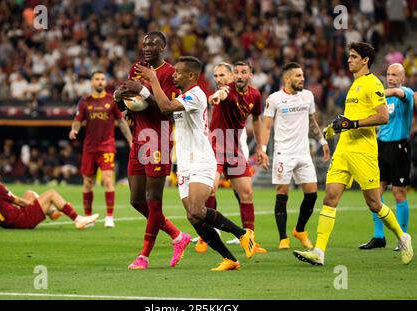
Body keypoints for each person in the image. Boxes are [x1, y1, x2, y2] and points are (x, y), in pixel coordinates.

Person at [293, 42, 413, 266]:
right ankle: (319, 252)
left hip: (363, 152)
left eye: (353, 57)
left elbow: (382, 117)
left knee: (374, 203)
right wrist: (335, 127)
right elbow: (349, 120)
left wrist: (354, 123)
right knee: (330, 197)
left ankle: (403, 236)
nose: (349, 60)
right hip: (344, 150)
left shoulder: (373, 84)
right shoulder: (354, 85)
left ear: (365, 60)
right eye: (349, 56)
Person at [136, 56, 256, 271]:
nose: (174, 74)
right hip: (184, 163)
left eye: (178, 72)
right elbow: (163, 108)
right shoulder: (183, 96)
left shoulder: (196, 95)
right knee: (192, 217)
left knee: (197, 210)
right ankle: (230, 259)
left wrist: (152, 80)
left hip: (201, 160)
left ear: (191, 75)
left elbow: (164, 107)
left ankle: (242, 234)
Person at [113, 31, 190, 270]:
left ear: (163, 47)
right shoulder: (137, 67)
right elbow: (127, 103)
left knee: (153, 199)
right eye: (145, 44)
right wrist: (118, 98)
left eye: (153, 44)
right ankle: (178, 236)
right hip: (139, 139)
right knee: (136, 200)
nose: (147, 47)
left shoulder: (170, 73)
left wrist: (143, 91)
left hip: (158, 139)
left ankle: (144, 256)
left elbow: (168, 110)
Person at [195, 61, 268, 253]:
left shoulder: (255, 95)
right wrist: (216, 96)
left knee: (247, 193)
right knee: (210, 190)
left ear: (250, 74)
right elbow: (222, 93)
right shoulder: (227, 90)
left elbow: (257, 119)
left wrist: (260, 148)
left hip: (234, 149)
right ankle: (208, 236)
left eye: (243, 72)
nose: (219, 80)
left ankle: (249, 239)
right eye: (236, 72)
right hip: (216, 145)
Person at [263, 62, 330, 250]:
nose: (302, 79)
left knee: (312, 194)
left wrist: (323, 142)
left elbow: (312, 121)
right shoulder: (274, 99)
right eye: (298, 76)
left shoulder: (308, 96)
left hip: (303, 153)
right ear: (287, 79)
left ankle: (300, 230)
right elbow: (266, 125)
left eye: (302, 75)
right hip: (283, 152)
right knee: (282, 193)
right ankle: (283, 238)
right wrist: (261, 149)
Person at [359, 63, 415, 250]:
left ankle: (402, 236)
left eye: (394, 75)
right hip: (381, 147)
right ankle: (378, 236)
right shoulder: (382, 100)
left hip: (399, 148)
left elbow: (398, 93)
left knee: (399, 193)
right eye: (388, 74)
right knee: (376, 193)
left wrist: (375, 93)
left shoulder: (405, 93)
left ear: (402, 78)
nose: (390, 78)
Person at [69, 71, 132, 228]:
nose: (100, 81)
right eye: (97, 79)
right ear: (91, 82)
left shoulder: (112, 100)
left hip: (107, 146)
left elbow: (122, 123)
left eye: (102, 79)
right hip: (89, 148)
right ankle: (88, 218)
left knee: (108, 180)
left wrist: (131, 140)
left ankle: (109, 217)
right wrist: (74, 130)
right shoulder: (84, 102)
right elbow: (77, 120)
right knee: (88, 183)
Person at [0, 165, 98, 229]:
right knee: (51, 193)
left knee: (29, 193)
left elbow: (8, 206)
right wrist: (36, 203)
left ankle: (52, 212)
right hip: (21, 221)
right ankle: (78, 219)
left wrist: (34, 201)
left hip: (7, 223)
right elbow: (19, 202)